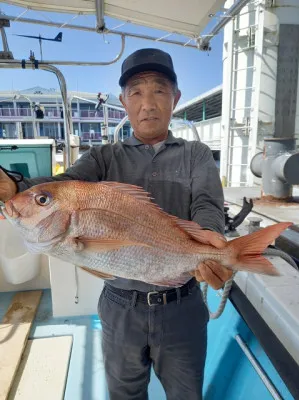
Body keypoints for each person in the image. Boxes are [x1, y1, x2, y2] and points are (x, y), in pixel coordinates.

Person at [0, 48, 232, 400]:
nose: (148, 104)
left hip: (183, 305)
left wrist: (211, 238)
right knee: (124, 394)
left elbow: (207, 203)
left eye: (159, 91)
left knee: (187, 394)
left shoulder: (196, 155)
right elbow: (63, 185)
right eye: (136, 92)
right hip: (120, 307)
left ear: (175, 98)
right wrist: (18, 188)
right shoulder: (102, 157)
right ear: (123, 101)